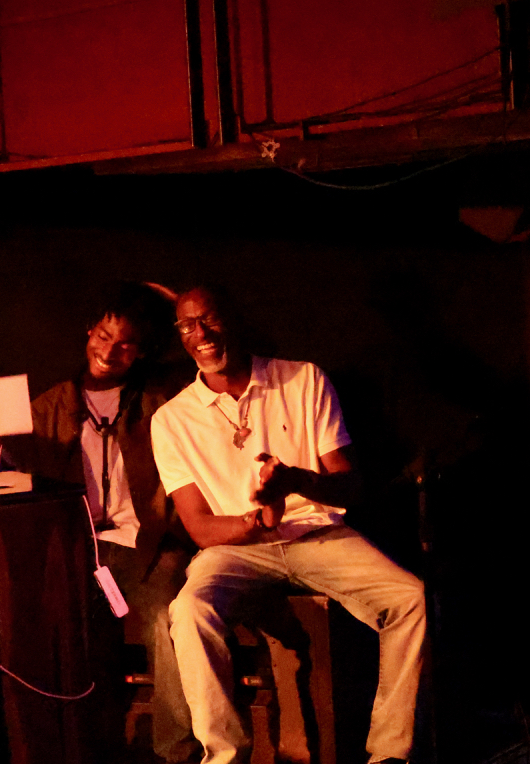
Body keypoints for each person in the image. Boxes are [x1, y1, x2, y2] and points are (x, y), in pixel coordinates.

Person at [151, 286, 425, 764]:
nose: (201, 334)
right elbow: (200, 529)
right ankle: (224, 757)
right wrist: (256, 519)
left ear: (235, 319)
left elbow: (349, 486)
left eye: (210, 319)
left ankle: (388, 754)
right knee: (189, 610)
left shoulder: (302, 380)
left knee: (410, 597)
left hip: (316, 532)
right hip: (235, 549)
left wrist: (295, 481)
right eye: (187, 326)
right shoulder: (171, 420)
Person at [22, 282, 199, 763]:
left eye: (125, 344)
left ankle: (175, 752)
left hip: (147, 545)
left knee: (168, 619)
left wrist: (166, 301)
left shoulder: (163, 399)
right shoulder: (50, 406)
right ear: (89, 332)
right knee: (66, 635)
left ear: (141, 351)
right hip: (78, 548)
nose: (109, 351)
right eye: (103, 336)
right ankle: (86, 748)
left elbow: (202, 359)